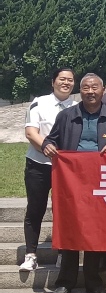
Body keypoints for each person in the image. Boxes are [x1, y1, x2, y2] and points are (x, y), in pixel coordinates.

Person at [42, 73, 106, 293]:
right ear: (80, 91)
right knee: (70, 229)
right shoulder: (67, 115)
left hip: (100, 182)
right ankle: (65, 282)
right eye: (86, 88)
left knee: (94, 231)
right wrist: (48, 145)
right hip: (72, 181)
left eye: (95, 87)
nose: (90, 92)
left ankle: (92, 281)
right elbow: (51, 139)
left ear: (103, 90)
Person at [19, 68, 78, 272]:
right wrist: (47, 147)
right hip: (39, 164)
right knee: (35, 209)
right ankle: (30, 254)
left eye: (70, 80)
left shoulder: (77, 107)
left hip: (67, 169)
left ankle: (63, 253)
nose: (66, 83)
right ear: (53, 82)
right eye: (62, 79)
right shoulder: (39, 103)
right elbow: (30, 132)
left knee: (64, 211)